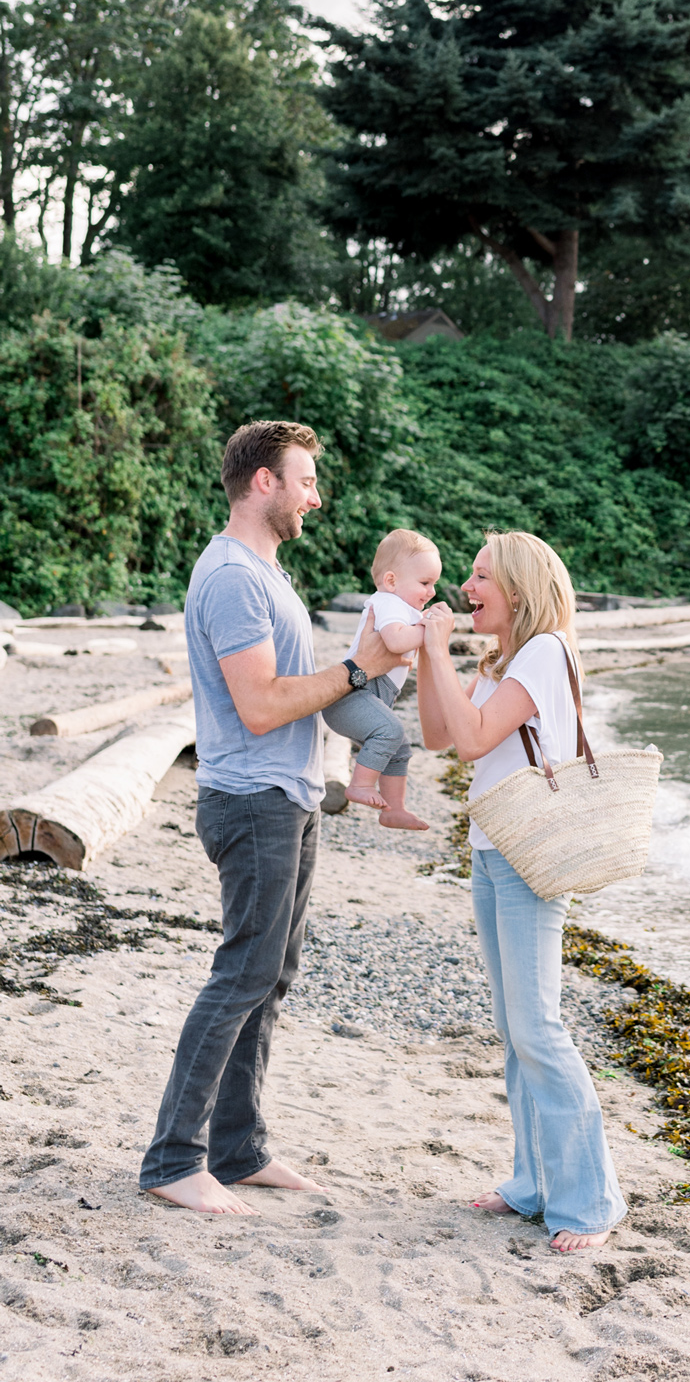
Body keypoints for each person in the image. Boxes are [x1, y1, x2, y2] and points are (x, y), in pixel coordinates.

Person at [140, 419, 394, 1216]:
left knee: (270, 977)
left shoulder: (268, 573)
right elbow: (259, 705)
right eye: (306, 481)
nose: (317, 497)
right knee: (242, 974)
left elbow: (295, 691)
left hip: (289, 796)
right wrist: (360, 669)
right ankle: (172, 1160)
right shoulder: (231, 578)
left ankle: (237, 1150)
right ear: (263, 483)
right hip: (251, 800)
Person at [416, 530, 626, 1253]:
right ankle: (535, 1182)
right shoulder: (506, 658)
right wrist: (429, 652)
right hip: (492, 851)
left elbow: (474, 740)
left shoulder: (544, 650)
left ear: (519, 589)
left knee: (538, 1028)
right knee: (515, 1029)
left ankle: (590, 1200)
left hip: (531, 860)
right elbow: (440, 733)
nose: (467, 587)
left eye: (481, 576)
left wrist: (442, 650)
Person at [323, 527, 437, 829]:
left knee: (399, 745)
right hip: (352, 696)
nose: (432, 591)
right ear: (391, 581)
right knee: (391, 730)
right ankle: (358, 786)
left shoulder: (404, 607)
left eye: (434, 583)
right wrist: (430, 628)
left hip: (372, 697)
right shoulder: (388, 603)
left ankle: (394, 809)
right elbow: (397, 642)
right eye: (425, 583)